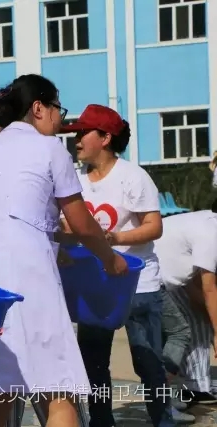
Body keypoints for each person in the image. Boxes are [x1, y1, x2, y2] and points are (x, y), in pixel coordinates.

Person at [0, 75, 127, 427]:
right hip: (33, 287)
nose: (59, 119)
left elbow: (13, 220)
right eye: (57, 109)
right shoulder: (48, 148)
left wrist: (53, 245)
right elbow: (81, 223)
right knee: (59, 394)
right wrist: (110, 259)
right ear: (38, 107)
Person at [59, 104, 179, 426]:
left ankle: (163, 421)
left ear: (106, 137)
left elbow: (154, 226)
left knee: (148, 364)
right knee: (93, 365)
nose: (78, 140)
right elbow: (67, 226)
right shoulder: (73, 180)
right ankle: (101, 422)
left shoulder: (133, 177)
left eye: (84, 133)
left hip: (138, 285)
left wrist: (111, 239)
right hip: (95, 285)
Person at [155, 205, 217, 406]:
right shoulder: (211, 234)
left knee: (197, 321)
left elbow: (190, 279)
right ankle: (162, 393)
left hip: (163, 278)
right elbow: (209, 288)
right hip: (154, 281)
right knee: (179, 333)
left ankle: (195, 386)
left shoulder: (203, 221)